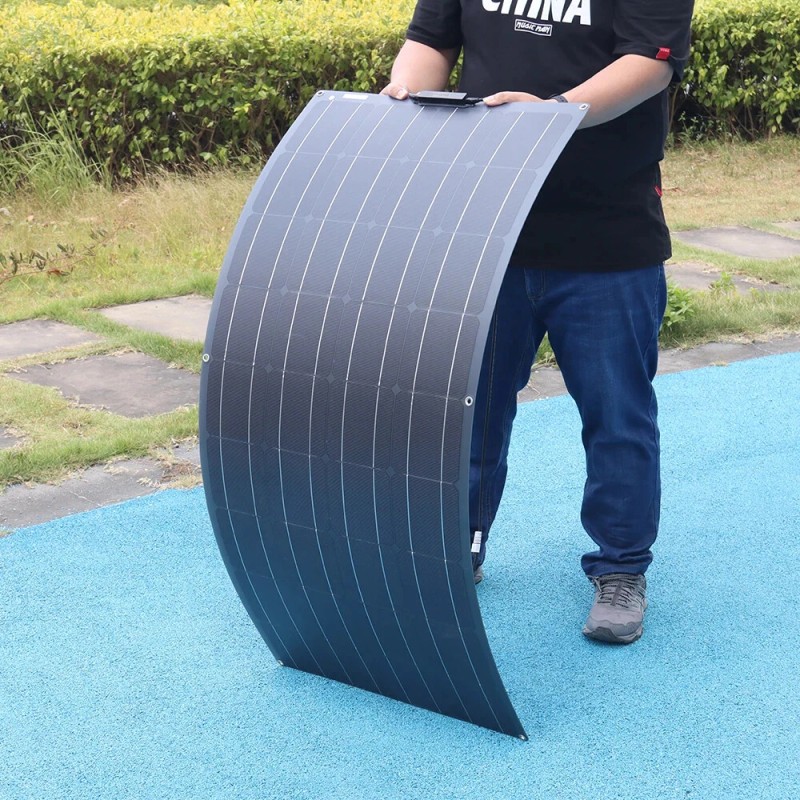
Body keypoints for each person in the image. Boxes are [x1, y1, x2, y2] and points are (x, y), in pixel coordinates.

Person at [381, 0, 694, 644]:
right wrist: (407, 96)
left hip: (606, 238)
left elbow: (650, 63)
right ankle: (456, 549)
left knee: (618, 417)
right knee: (467, 410)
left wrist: (549, 117)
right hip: (484, 229)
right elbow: (430, 41)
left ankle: (621, 569)